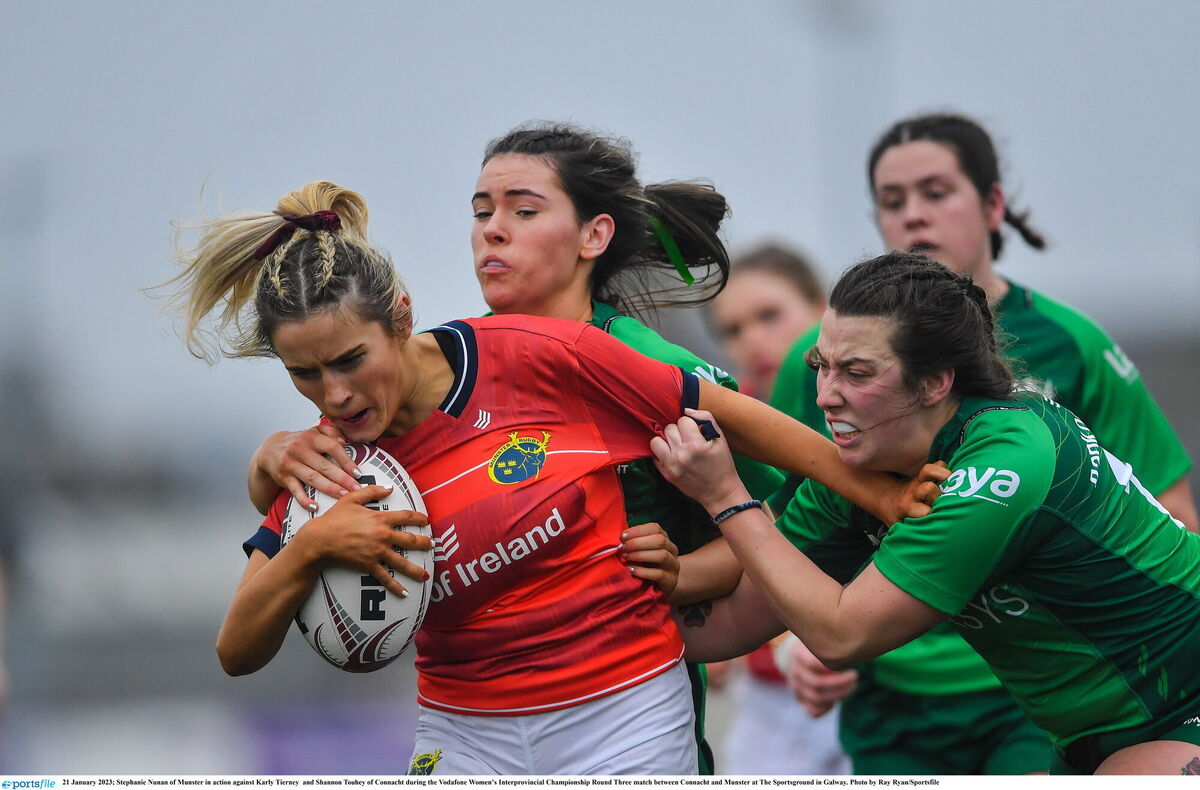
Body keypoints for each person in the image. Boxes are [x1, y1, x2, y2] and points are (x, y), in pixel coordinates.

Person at [162, 180, 939, 776]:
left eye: (349, 361)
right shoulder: (326, 463)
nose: (334, 394)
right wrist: (312, 546)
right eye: (304, 375)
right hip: (463, 735)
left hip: (624, 707)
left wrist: (879, 493)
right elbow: (237, 649)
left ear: (400, 318)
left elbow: (721, 408)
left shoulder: (531, 354)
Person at [248, 123, 787, 774]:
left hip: (627, 707)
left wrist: (693, 578)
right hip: (472, 727)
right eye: (481, 212)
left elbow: (781, 518)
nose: (492, 230)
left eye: (523, 212)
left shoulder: (648, 365)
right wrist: (269, 467)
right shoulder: (443, 372)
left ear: (594, 236)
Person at [656, 252, 1200, 776]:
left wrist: (725, 496)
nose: (825, 396)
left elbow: (842, 635)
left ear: (936, 381)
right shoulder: (863, 468)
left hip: (1182, 702)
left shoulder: (1006, 460)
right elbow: (725, 628)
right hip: (1088, 731)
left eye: (857, 373)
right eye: (821, 367)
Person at [768, 112, 1198, 775]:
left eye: (935, 194)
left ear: (992, 205)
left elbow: (1170, 518)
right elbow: (791, 533)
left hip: (1026, 696)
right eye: (892, 201)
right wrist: (793, 645)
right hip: (889, 683)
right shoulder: (825, 362)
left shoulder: (1071, 346)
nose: (914, 217)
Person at [705, 243, 851, 775]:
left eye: (769, 315)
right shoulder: (716, 429)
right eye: (733, 330)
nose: (753, 341)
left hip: (871, 687)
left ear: (821, 310)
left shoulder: (869, 417)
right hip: (767, 702)